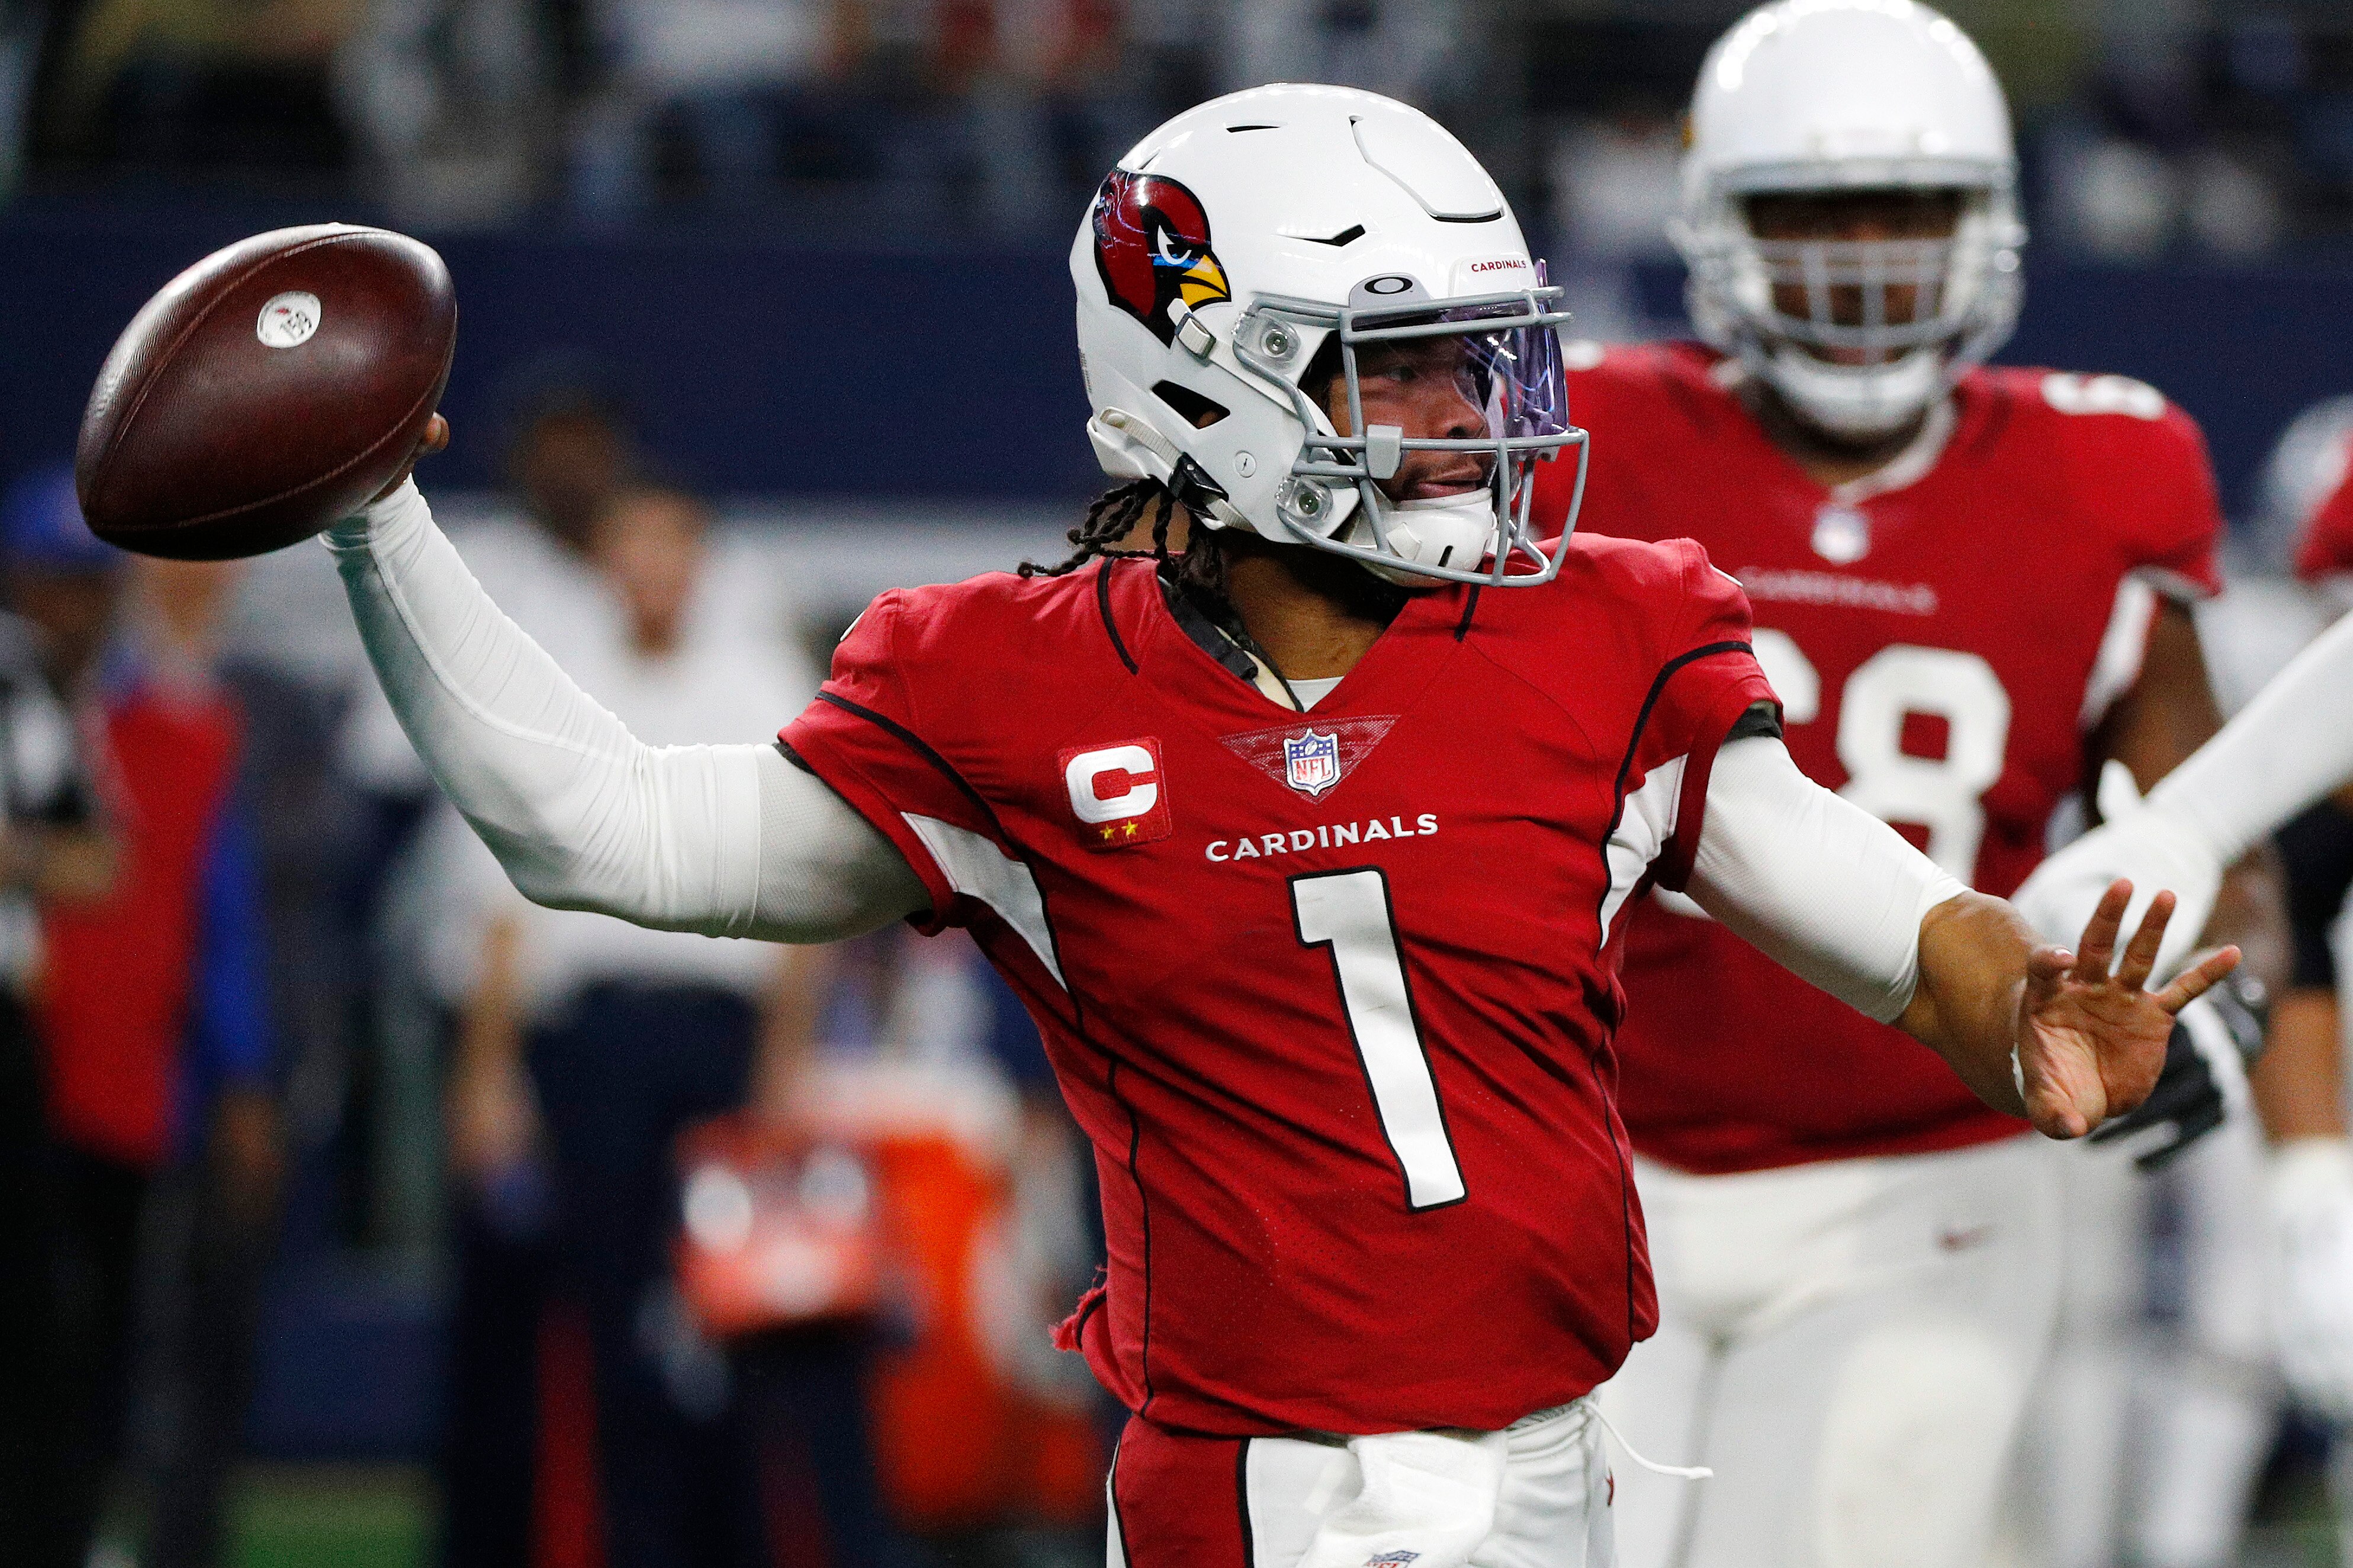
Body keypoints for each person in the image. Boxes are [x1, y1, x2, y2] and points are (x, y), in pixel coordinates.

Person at [325, 84, 2229, 1567]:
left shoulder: (1599, 620)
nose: (1463, 412)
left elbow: (1871, 909)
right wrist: (370, 519)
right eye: (1391, 364)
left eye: (1475, 355)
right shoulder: (1005, 683)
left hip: (1563, 1443)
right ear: (1199, 374)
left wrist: (2009, 1006)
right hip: (1272, 1485)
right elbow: (609, 834)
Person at [1517, 7, 2284, 1566]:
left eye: (1908, 211)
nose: (1862, 255)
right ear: (1716, 225)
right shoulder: (1573, 436)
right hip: (1595, 1156)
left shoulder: (2103, 468)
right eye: (1807, 212)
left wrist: (2214, 1000)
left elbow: (2207, 830)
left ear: (1985, 225)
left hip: (1924, 1178)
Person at [430, 484, 860, 1568]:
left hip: (719, 1030)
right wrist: (488, 1074)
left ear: (700, 560)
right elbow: (501, 905)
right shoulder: (553, 688)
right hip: (591, 1043)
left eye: (672, 547)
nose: (653, 570)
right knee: (610, 1320)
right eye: (633, 546)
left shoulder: (759, 684)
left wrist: (782, 1059)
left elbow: (814, 891)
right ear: (606, 561)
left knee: (742, 1316)